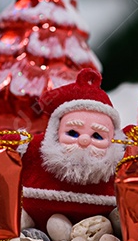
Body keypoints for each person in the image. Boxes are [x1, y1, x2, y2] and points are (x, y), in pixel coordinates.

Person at [20, 68, 124, 228]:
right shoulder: (36, 147)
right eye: (73, 133)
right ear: (55, 132)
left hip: (99, 226)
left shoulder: (121, 159)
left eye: (97, 136)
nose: (84, 140)